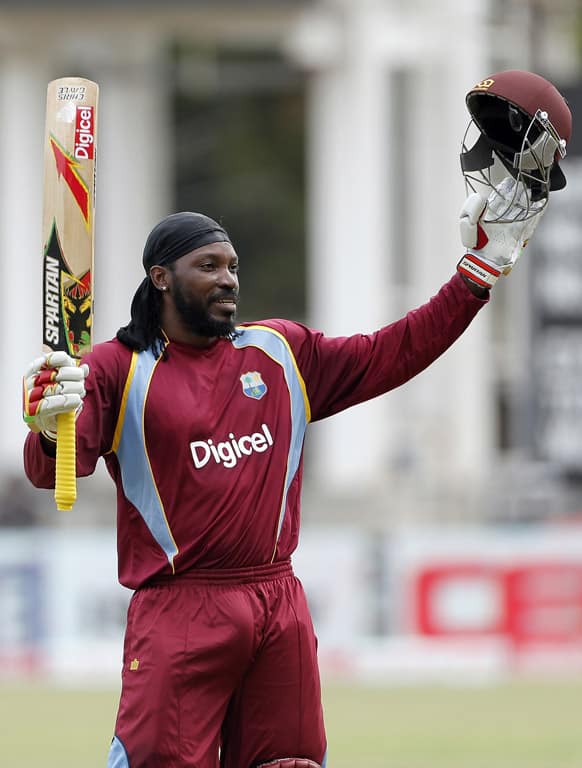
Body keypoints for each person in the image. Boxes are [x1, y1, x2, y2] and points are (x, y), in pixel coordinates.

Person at [22, 70, 569, 768]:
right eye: (208, 266)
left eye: (233, 265)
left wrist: (475, 276)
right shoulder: (113, 368)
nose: (228, 279)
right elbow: (55, 471)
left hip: (278, 602)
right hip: (179, 611)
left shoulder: (281, 351)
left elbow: (393, 353)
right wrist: (45, 424)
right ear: (160, 277)